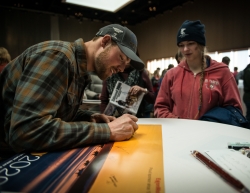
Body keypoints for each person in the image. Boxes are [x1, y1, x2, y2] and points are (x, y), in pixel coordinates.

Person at [0, 24, 143, 160]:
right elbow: (26, 132)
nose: (122, 69)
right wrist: (108, 131)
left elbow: (56, 113)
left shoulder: (80, 73)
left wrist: (90, 117)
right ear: (105, 41)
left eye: (126, 64)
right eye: (121, 58)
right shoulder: (57, 56)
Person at [154, 20, 242, 121]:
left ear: (201, 45)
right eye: (181, 45)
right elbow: (160, 107)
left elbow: (234, 109)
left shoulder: (222, 72)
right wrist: (177, 122)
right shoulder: (171, 74)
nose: (185, 49)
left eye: (190, 43)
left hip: (211, 133)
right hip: (178, 133)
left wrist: (211, 123)